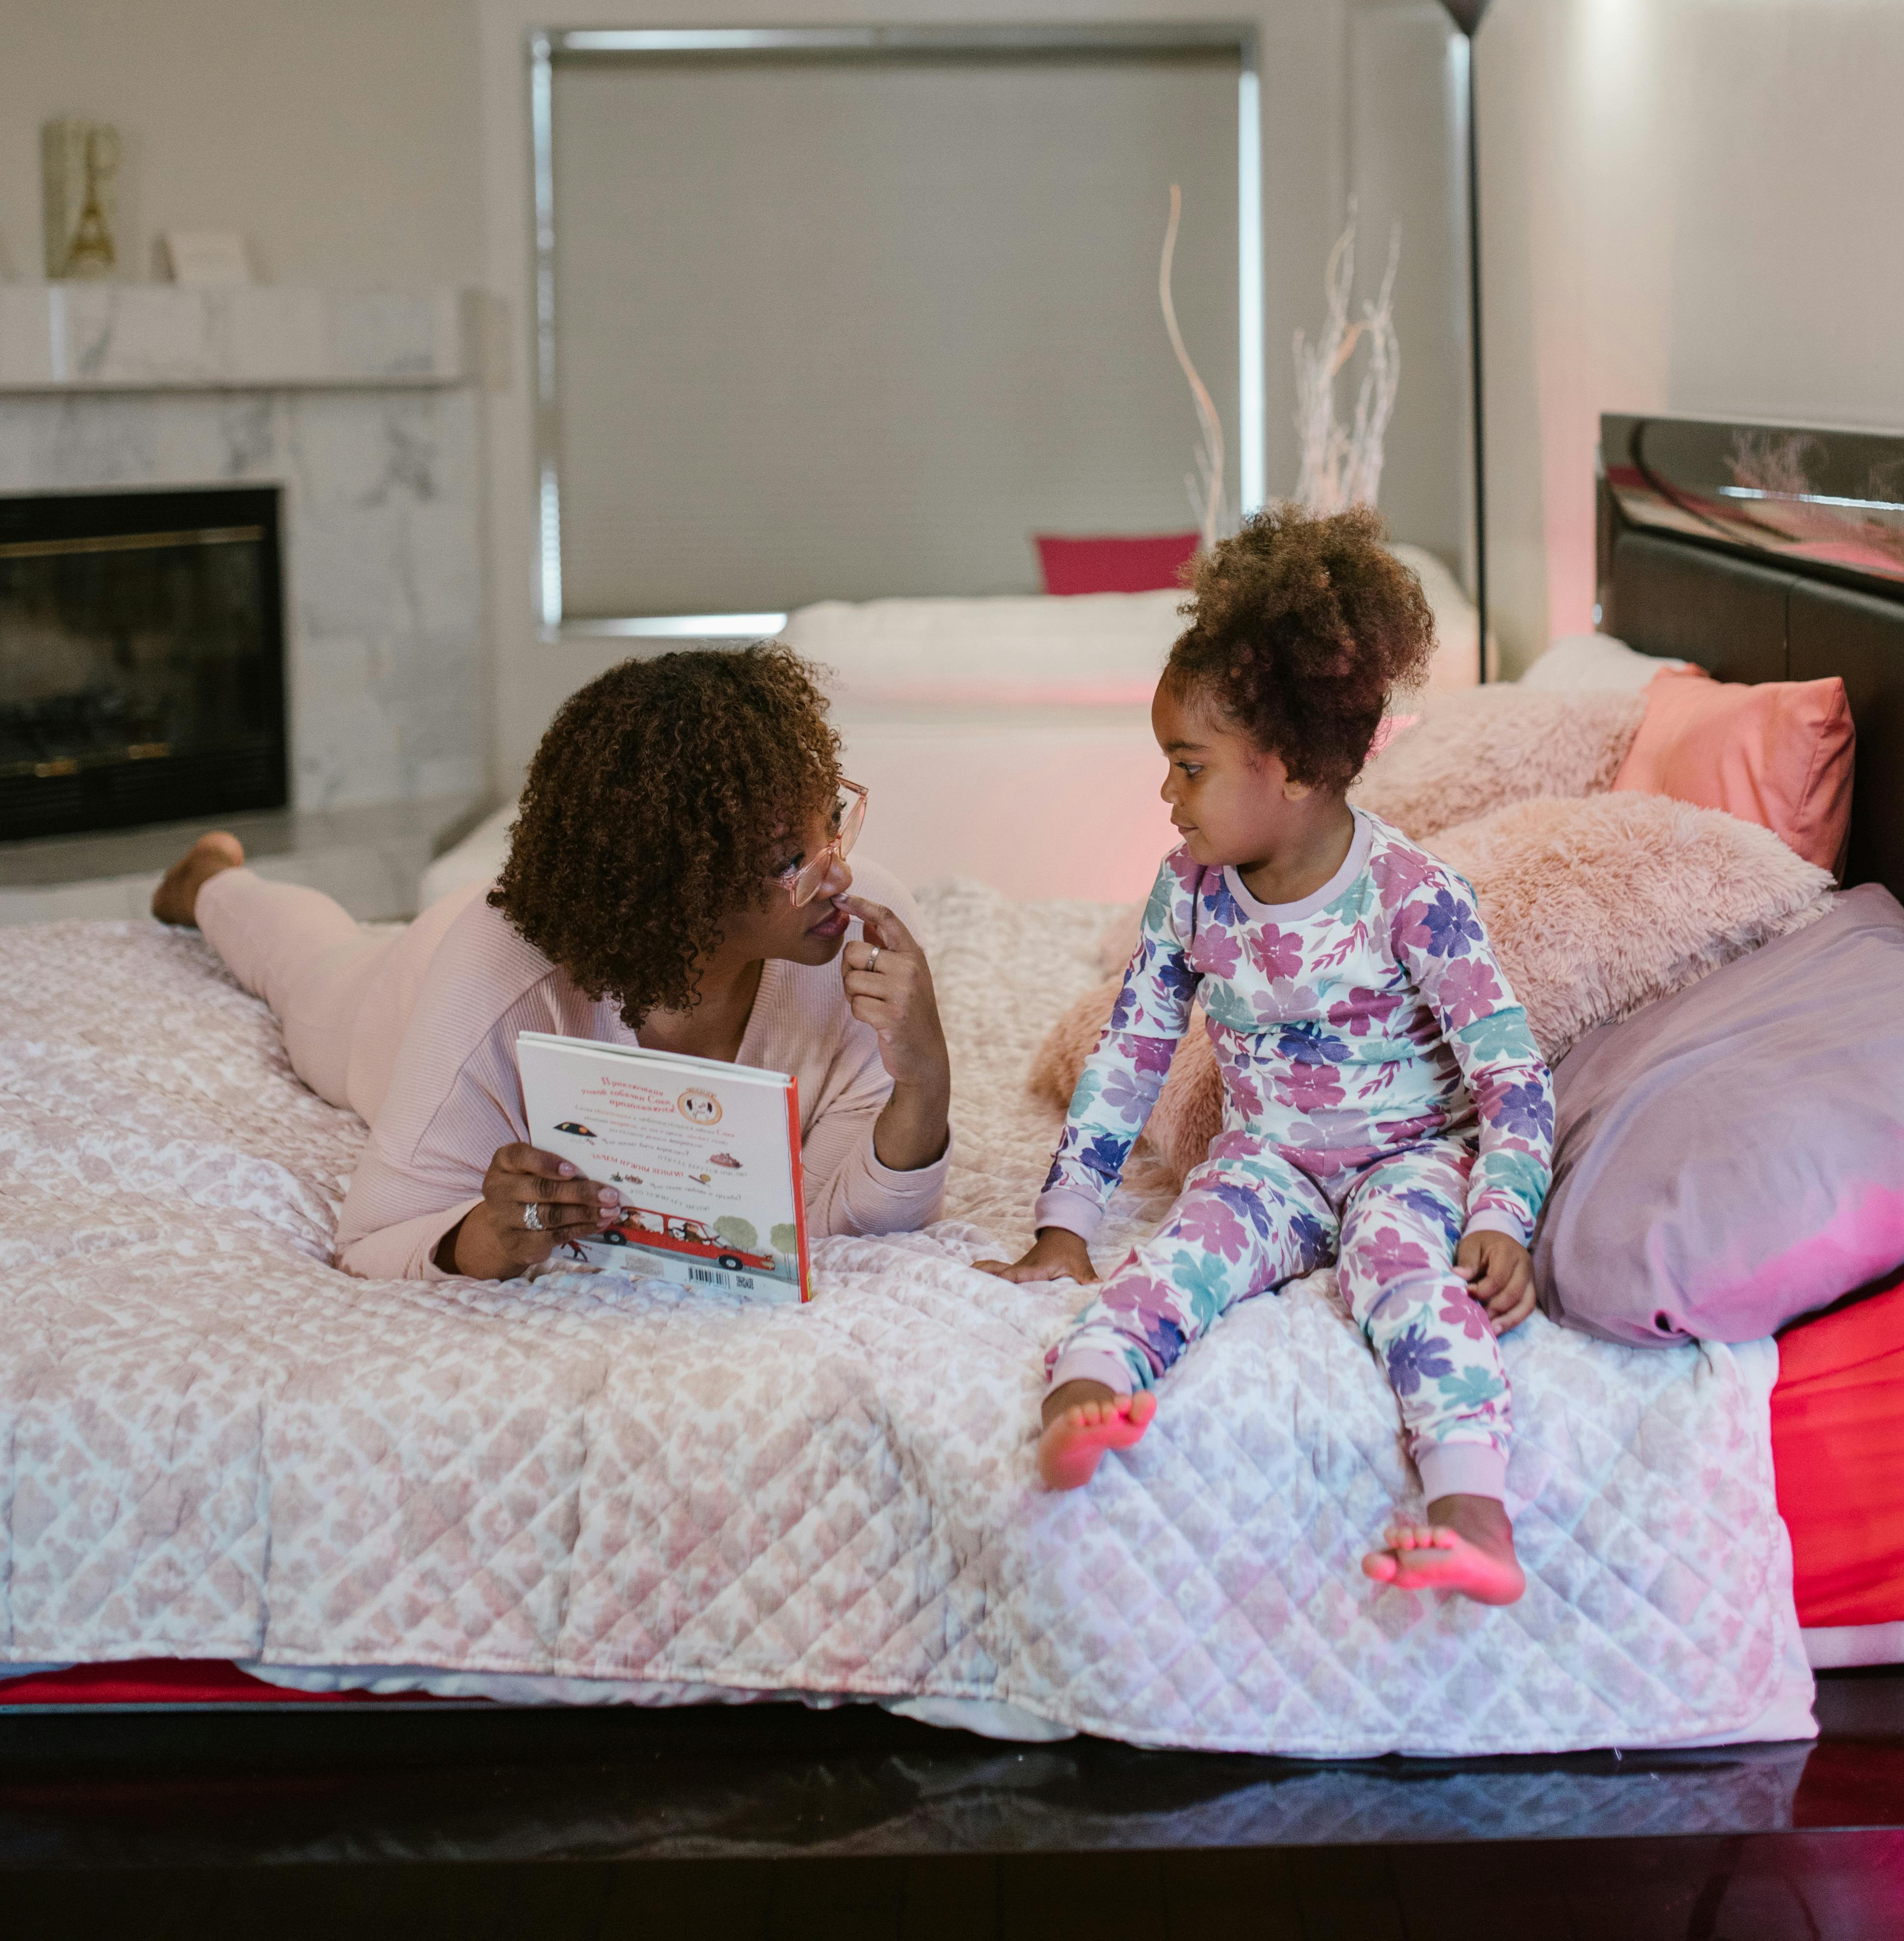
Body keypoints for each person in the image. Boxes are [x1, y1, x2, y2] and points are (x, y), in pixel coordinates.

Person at [977, 506, 1552, 1604]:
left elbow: (1513, 1075)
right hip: (1268, 1163)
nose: (1166, 793)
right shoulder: (1190, 894)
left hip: (1409, 1160)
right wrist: (1066, 1227)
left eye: (1188, 766)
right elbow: (1133, 1048)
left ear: (1286, 769)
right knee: (1179, 1256)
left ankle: (1474, 1514)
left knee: (1407, 1283)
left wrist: (1499, 1217)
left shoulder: (1412, 899)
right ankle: (1083, 1400)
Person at [151, 647, 952, 1281]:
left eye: (834, 823)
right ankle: (213, 881)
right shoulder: (495, 987)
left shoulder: (861, 936)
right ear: (681, 881)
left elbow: (827, 1223)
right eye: (790, 859)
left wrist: (923, 1080)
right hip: (422, 983)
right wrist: (483, 1240)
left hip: (571, 928)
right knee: (313, 972)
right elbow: (373, 1238)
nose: (839, 872)